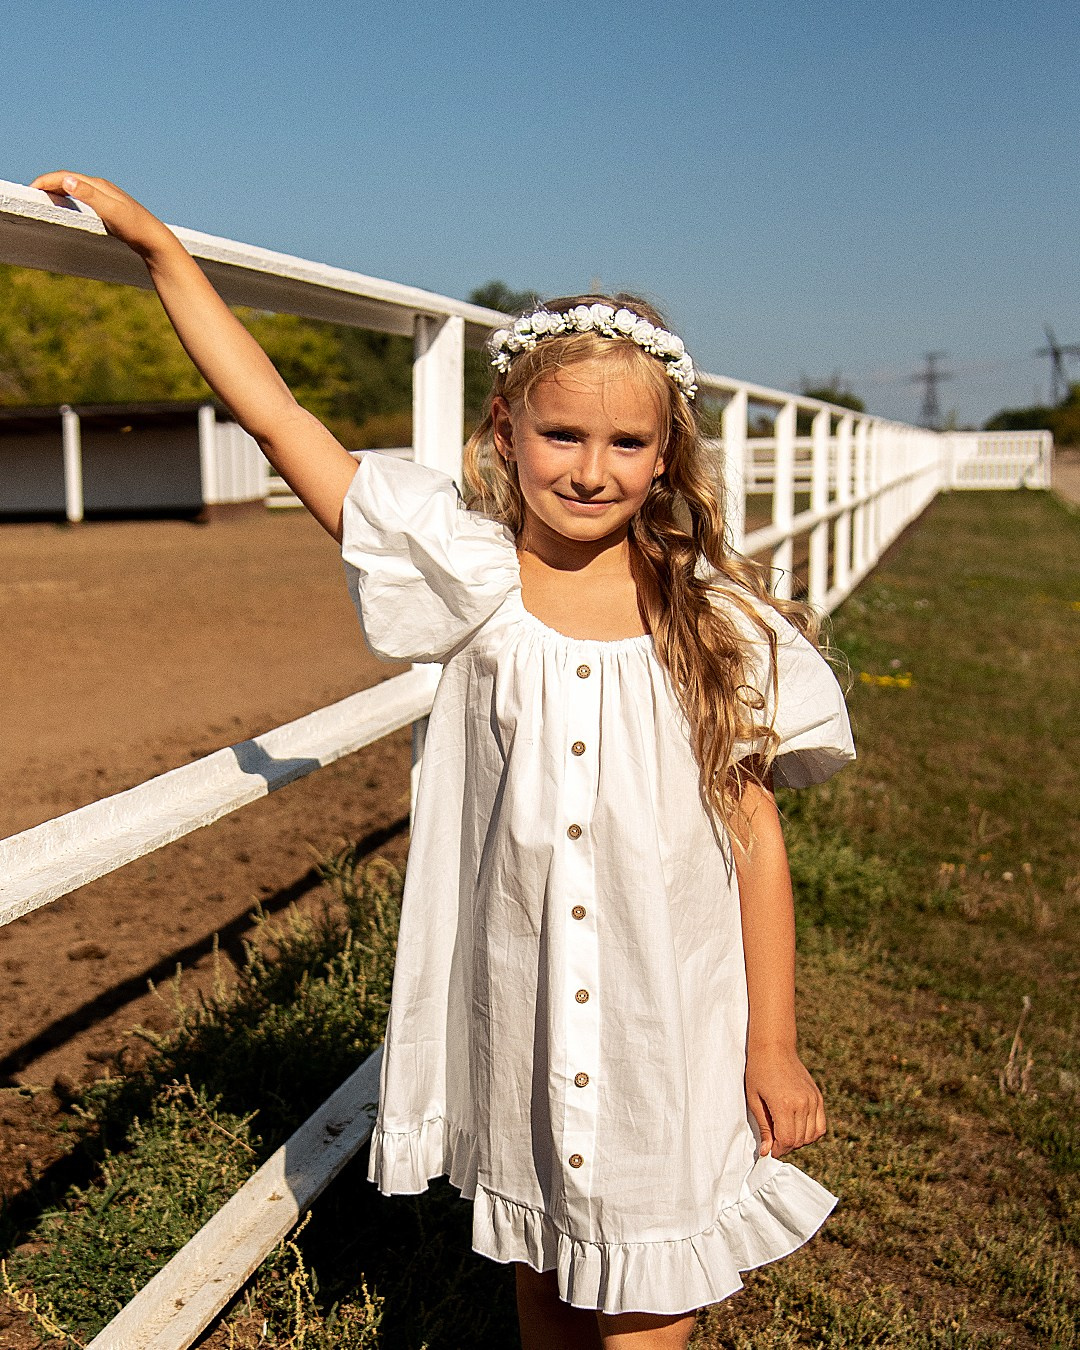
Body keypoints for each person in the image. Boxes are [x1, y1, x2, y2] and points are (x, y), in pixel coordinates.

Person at [31, 173, 856, 1350]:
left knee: (650, 1300)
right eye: (561, 434)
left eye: (627, 442)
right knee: (551, 1272)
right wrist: (161, 252)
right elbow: (282, 423)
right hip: (523, 1018)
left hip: (670, 1027)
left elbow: (755, 835)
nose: (590, 467)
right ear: (503, 433)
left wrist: (769, 1041)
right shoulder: (463, 579)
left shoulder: (712, 626)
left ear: (668, 457)